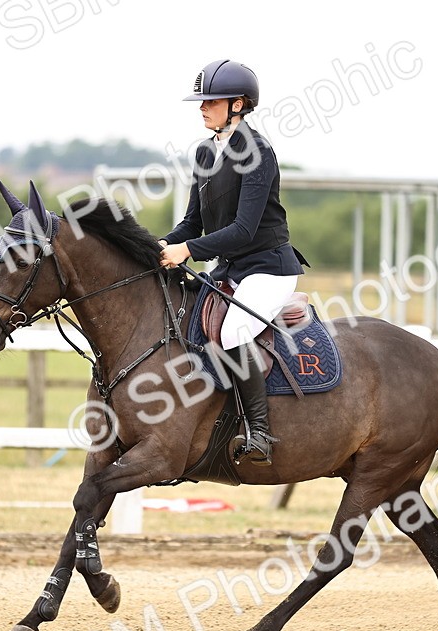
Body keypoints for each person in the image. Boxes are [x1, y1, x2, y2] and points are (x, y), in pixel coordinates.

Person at [158, 59, 305, 466]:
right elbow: (192, 222)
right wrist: (161, 245)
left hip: (268, 269)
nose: (201, 108)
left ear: (238, 105)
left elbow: (242, 231)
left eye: (211, 101)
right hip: (230, 270)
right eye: (201, 101)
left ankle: (259, 432)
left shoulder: (258, 153)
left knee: (234, 331)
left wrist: (187, 251)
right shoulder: (206, 152)